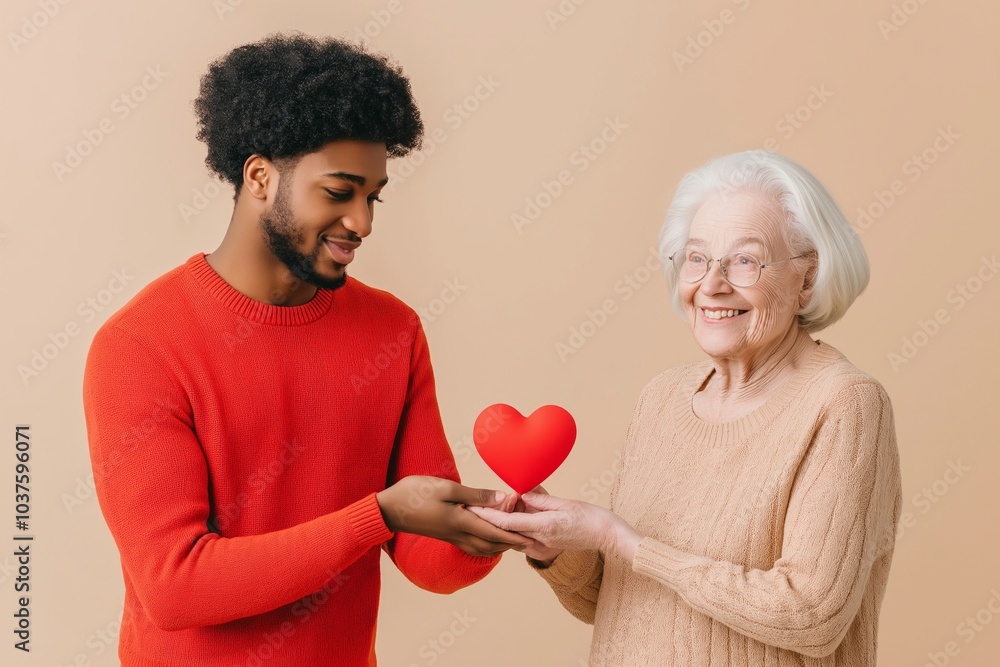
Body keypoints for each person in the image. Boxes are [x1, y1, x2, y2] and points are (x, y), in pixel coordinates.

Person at [82, 32, 528, 666]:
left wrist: (488, 533)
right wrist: (376, 516)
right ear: (260, 176)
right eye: (339, 192)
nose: (363, 223)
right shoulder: (141, 346)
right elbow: (174, 586)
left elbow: (427, 559)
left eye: (372, 197)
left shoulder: (391, 331)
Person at [472, 151, 903, 665]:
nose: (712, 284)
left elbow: (812, 616)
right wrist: (558, 546)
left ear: (806, 279)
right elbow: (619, 605)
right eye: (696, 258)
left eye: (745, 260)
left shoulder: (845, 404)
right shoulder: (661, 400)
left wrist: (623, 540)